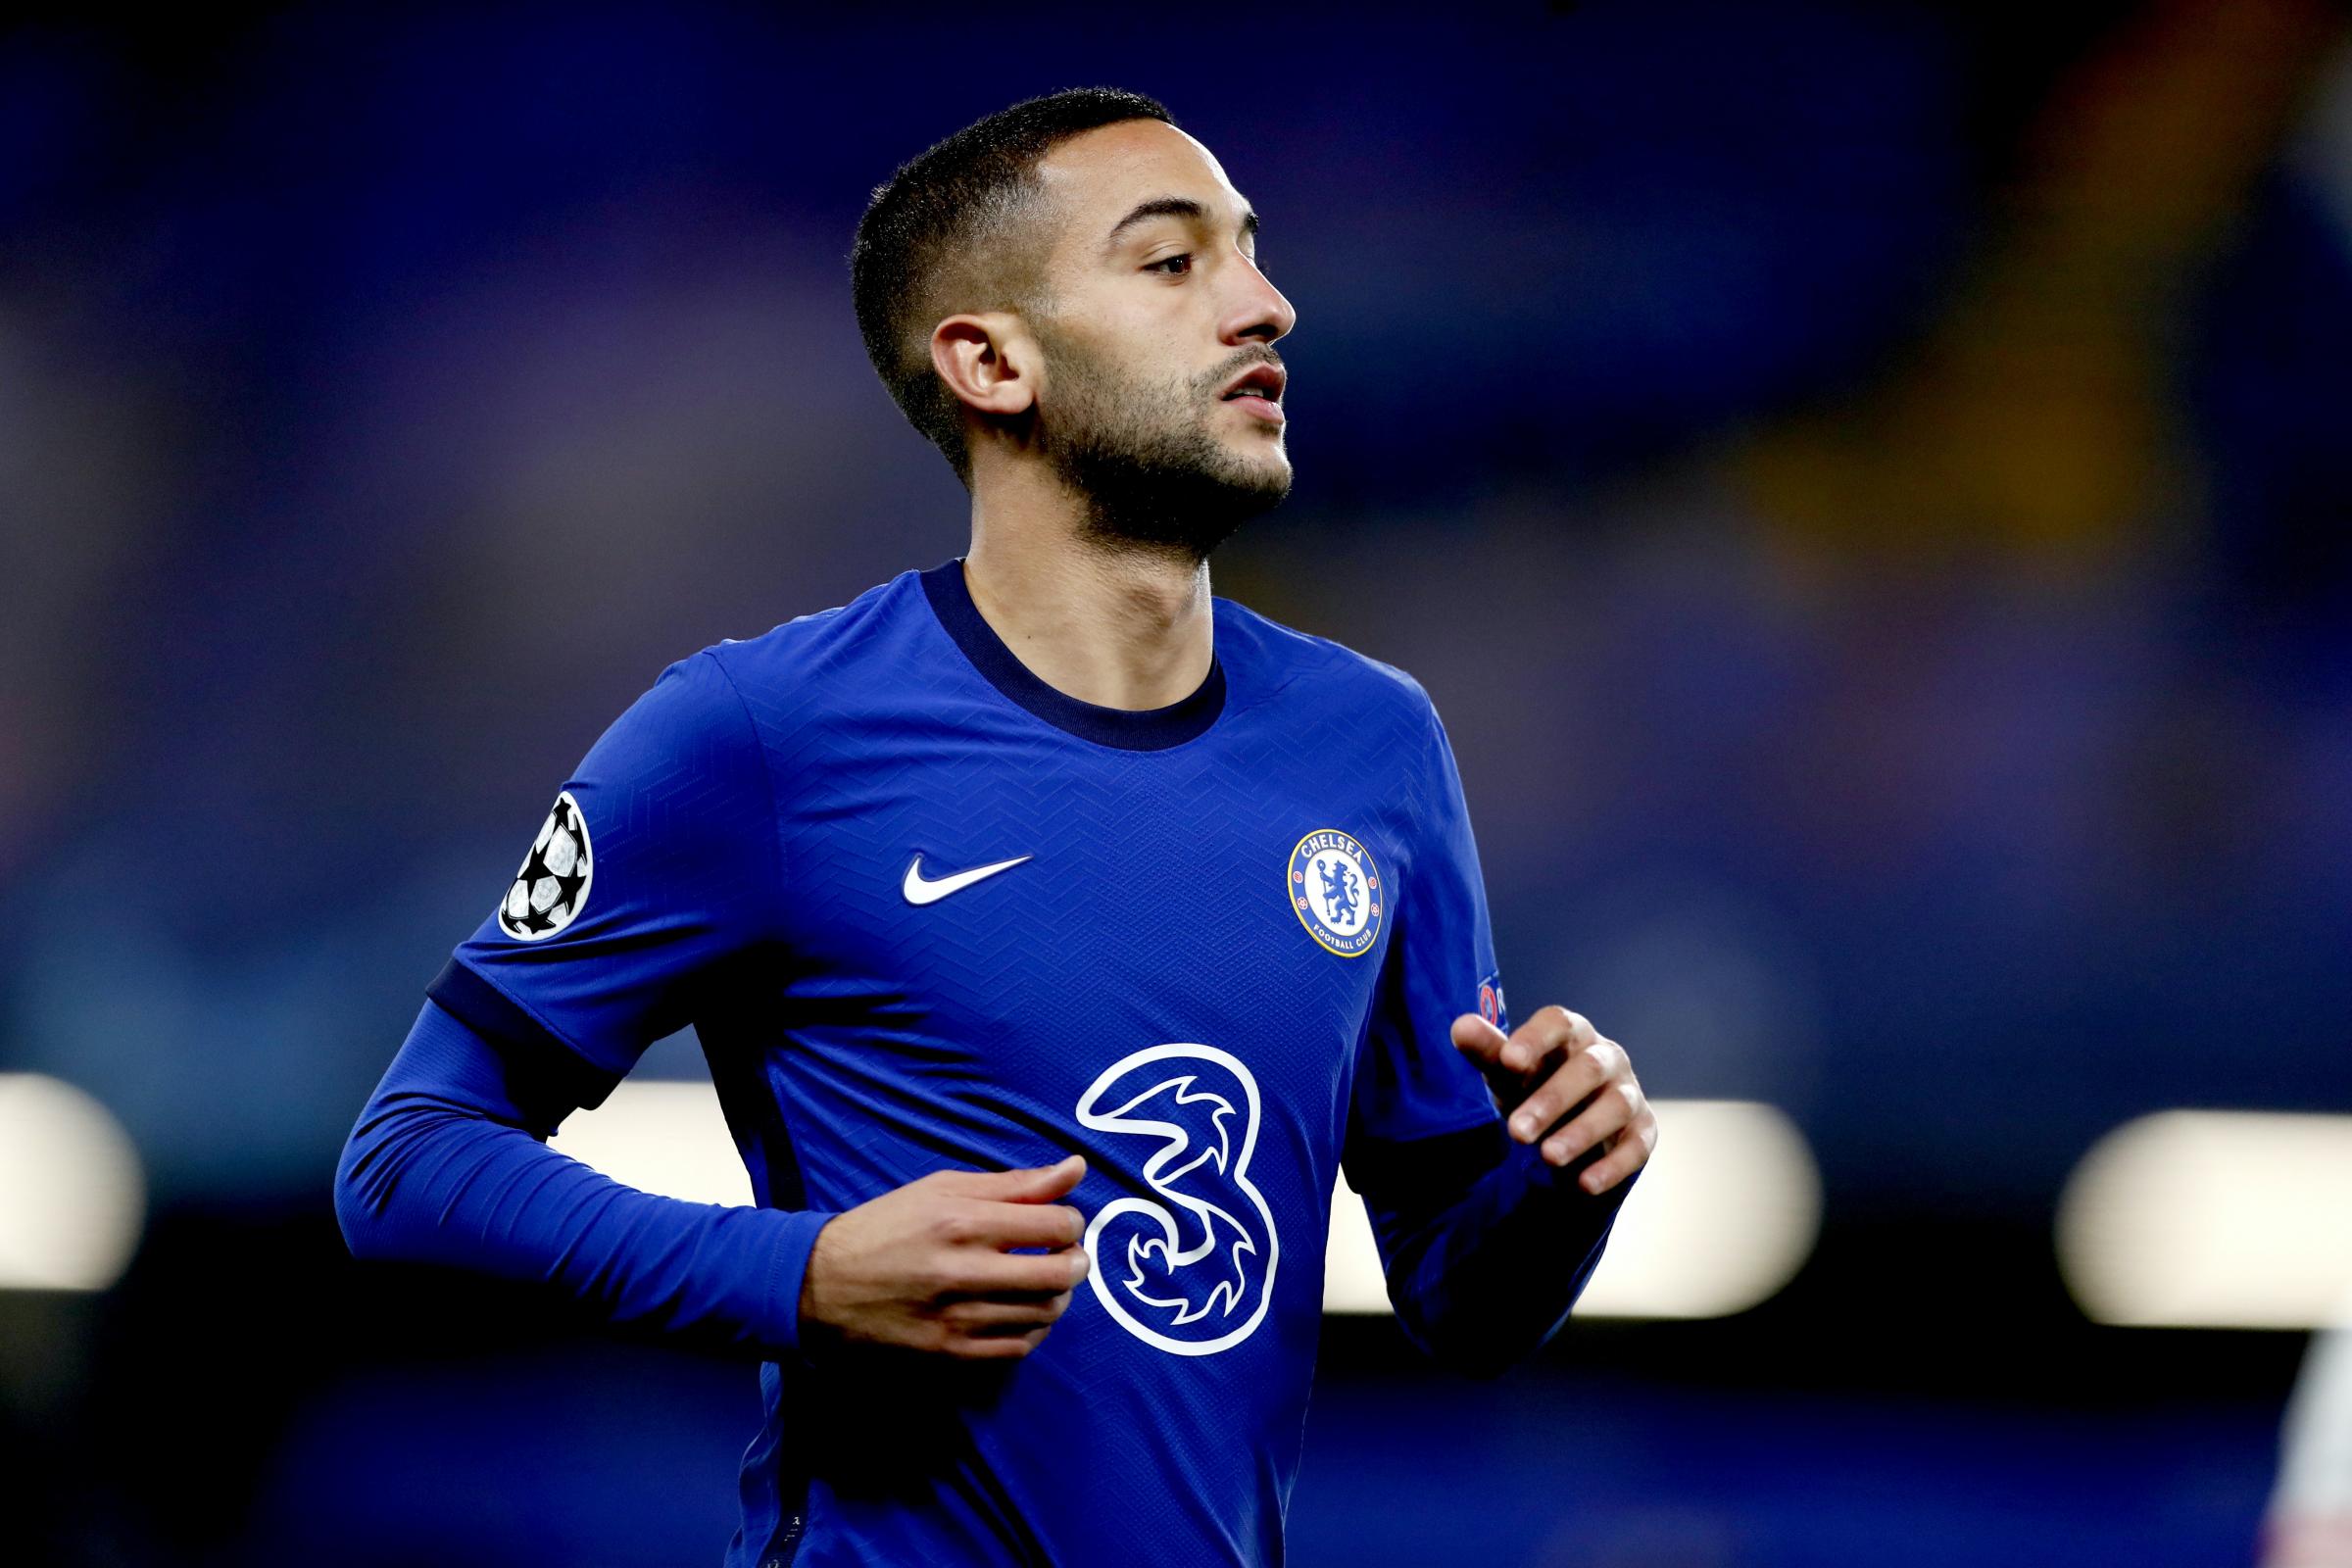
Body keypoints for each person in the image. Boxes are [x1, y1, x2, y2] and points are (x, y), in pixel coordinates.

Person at [335, 85, 1657, 1568]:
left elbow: (1462, 1305)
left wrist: (1561, 1183)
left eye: (1251, 252)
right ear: (990, 362)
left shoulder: (1376, 744)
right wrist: (798, 1274)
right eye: (1174, 262)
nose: (1265, 306)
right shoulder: (758, 734)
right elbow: (406, 1160)